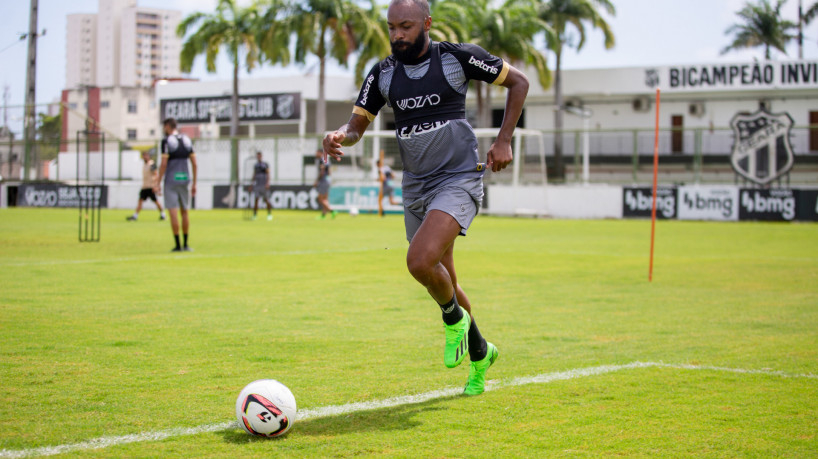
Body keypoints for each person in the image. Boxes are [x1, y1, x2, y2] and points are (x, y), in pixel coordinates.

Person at [323, 0, 528, 395]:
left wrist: (504, 140)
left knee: (419, 261)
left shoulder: (455, 58)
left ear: (427, 24)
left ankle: (453, 322)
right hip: (416, 185)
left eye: (405, 26)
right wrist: (338, 136)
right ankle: (481, 353)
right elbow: (356, 126)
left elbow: (518, 82)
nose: (397, 34)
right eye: (391, 27)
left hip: (458, 178)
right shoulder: (383, 73)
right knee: (444, 278)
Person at [155, 118, 197, 252]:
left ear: (167, 126)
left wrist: (158, 182)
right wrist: (194, 182)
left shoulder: (166, 141)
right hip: (185, 179)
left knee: (173, 212)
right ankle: (186, 244)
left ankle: (178, 245)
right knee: (185, 211)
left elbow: (163, 164)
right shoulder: (187, 140)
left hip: (171, 180)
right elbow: (194, 163)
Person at [127, 150, 166, 221]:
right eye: (144, 155)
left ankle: (163, 214)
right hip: (144, 186)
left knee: (156, 201)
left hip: (150, 186)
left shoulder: (151, 164)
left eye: (146, 155)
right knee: (140, 201)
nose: (145, 157)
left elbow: (156, 175)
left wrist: (155, 185)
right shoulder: (144, 164)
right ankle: (135, 216)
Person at [314, 149, 336, 219]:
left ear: (320, 153)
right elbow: (329, 172)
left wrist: (317, 181)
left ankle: (332, 211)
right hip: (327, 180)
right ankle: (323, 215)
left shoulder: (322, 160)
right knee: (325, 199)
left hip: (323, 181)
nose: (315, 154)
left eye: (316, 153)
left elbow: (322, 171)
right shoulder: (326, 160)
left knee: (320, 199)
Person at [251, 151, 273, 221]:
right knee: (256, 200)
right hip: (257, 185)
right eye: (257, 156)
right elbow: (254, 175)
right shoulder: (256, 165)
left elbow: (268, 174)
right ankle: (255, 215)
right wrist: (251, 184)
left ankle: (269, 214)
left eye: (259, 156)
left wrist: (267, 183)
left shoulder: (265, 164)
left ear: (261, 156)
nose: (258, 157)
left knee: (266, 199)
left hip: (264, 185)